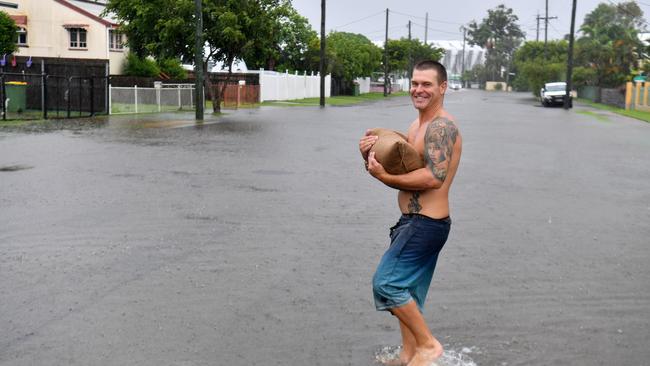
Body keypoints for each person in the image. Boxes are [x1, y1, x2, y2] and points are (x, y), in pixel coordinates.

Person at [358, 60, 462, 366]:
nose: (419, 89)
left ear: (442, 87)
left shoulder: (441, 127)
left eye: (427, 84)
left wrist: (384, 178)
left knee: (387, 284)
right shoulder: (416, 126)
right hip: (413, 222)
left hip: (426, 223)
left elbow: (433, 178)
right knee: (408, 293)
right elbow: (402, 168)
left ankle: (428, 345)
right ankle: (410, 354)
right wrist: (370, 156)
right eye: (415, 83)